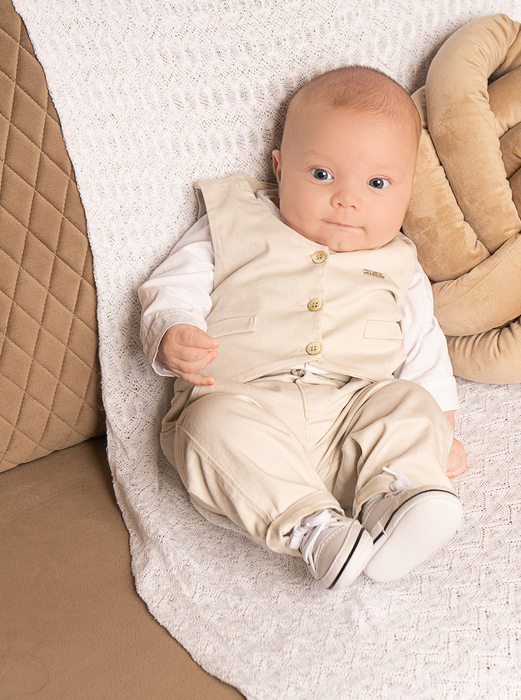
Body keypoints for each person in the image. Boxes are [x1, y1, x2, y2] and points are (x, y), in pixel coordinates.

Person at [139, 65, 465, 591]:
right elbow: (174, 286)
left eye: (377, 184)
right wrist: (172, 329)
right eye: (322, 175)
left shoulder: (401, 264)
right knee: (205, 428)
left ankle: (396, 495)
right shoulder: (235, 222)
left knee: (409, 403)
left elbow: (424, 347)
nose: (347, 199)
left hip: (352, 413)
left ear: (408, 190)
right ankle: (313, 528)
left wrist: (442, 427)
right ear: (280, 167)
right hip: (247, 406)